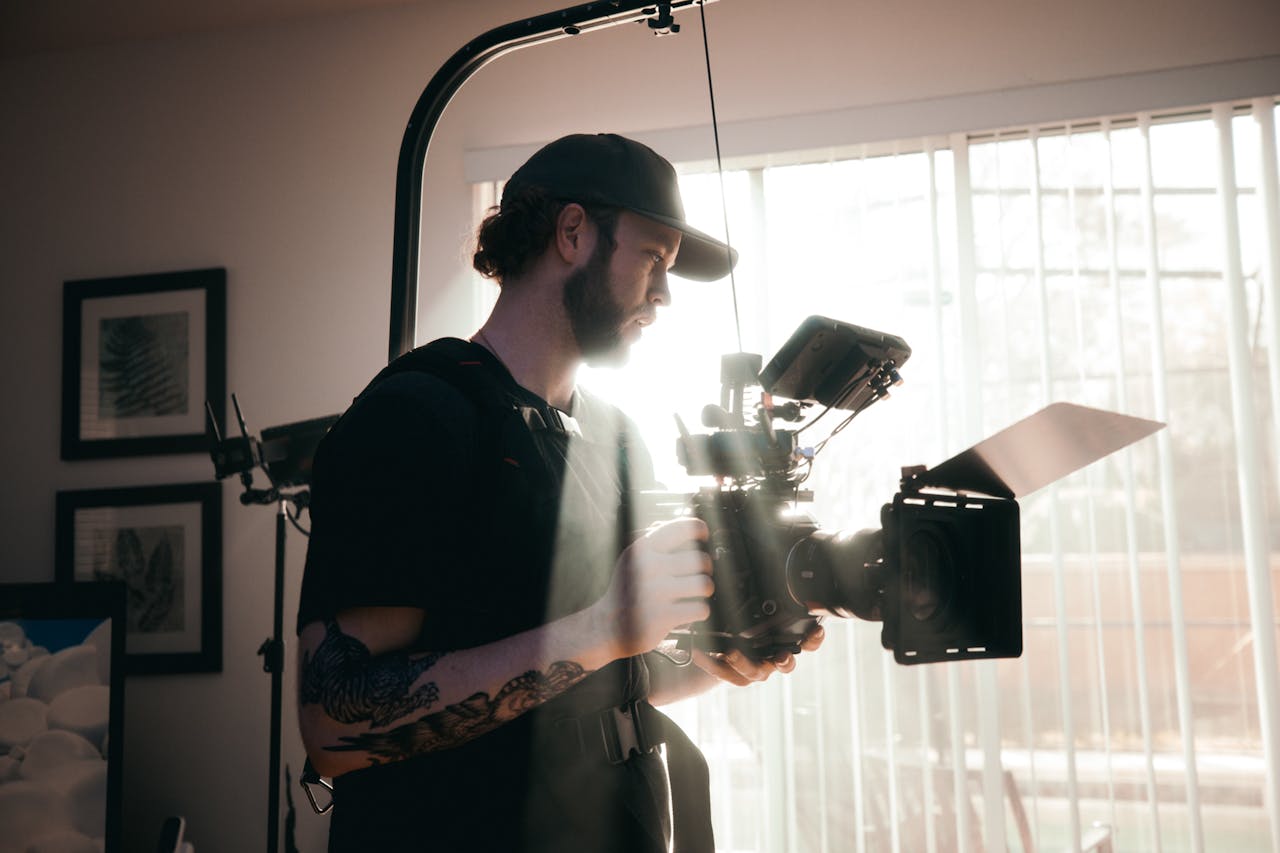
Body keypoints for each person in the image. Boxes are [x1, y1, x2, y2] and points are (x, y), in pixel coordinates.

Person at [295, 133, 824, 853]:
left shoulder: (617, 435)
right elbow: (333, 723)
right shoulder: (417, 416)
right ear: (573, 233)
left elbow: (591, 678)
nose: (666, 294)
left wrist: (715, 657)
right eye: (654, 258)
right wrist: (603, 626)